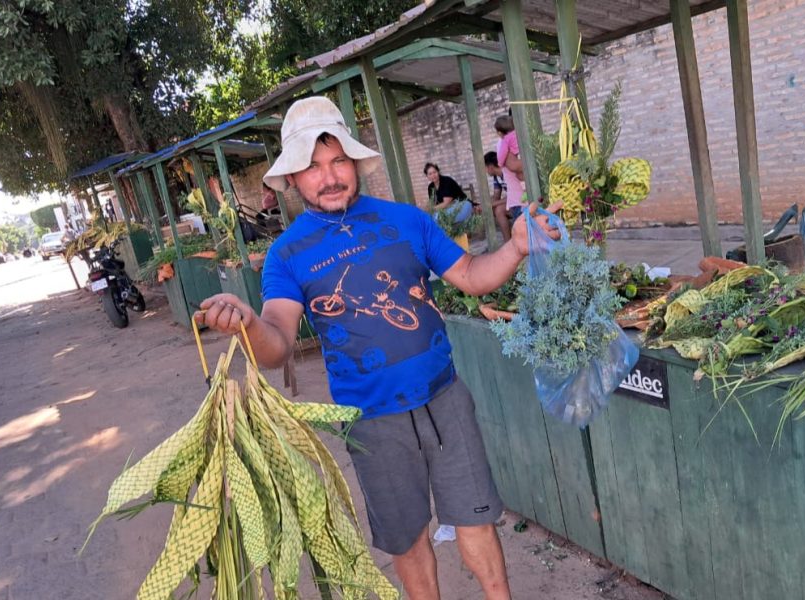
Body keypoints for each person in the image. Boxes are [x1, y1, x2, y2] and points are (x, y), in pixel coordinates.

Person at [195, 96, 560, 600]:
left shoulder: (406, 220)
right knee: (407, 540)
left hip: (445, 399)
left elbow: (472, 276)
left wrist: (517, 247)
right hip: (371, 421)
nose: (329, 177)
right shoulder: (286, 254)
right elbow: (277, 344)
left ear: (353, 161)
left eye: (338, 161)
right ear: (293, 178)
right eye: (313, 167)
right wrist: (249, 324)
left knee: (477, 519)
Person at [484, 151, 511, 242]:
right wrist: (485, 205)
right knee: (493, 209)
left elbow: (512, 196)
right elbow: (496, 197)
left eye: (485, 168)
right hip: (512, 202)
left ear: (491, 166)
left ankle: (508, 241)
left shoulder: (507, 172)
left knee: (499, 210)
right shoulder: (496, 177)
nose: (486, 171)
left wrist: (491, 204)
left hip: (521, 201)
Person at [493, 116, 524, 182]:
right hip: (522, 153)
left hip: (516, 156)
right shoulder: (518, 132)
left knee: (519, 176)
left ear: (500, 133)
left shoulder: (505, 139)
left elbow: (502, 153)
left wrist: (500, 163)